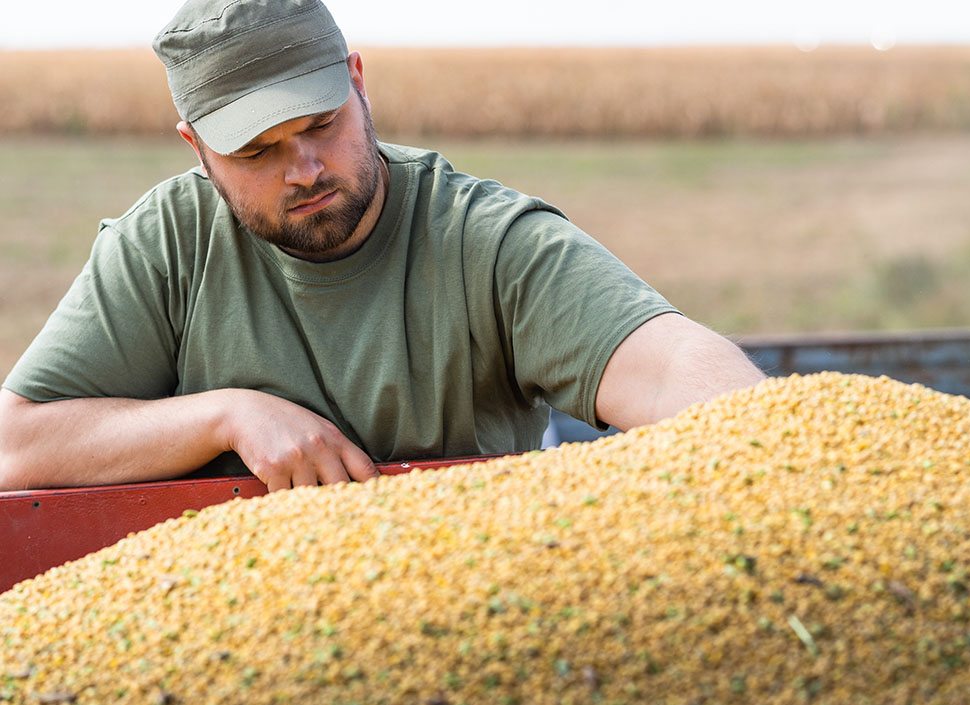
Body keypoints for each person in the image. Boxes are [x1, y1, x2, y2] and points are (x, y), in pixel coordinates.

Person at [0, 0, 764, 493]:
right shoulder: (168, 245)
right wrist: (226, 416)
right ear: (197, 149)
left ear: (358, 84)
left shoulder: (482, 241)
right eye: (257, 153)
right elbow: (15, 449)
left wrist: (773, 439)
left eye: (320, 125)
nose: (303, 171)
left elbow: (665, 366)